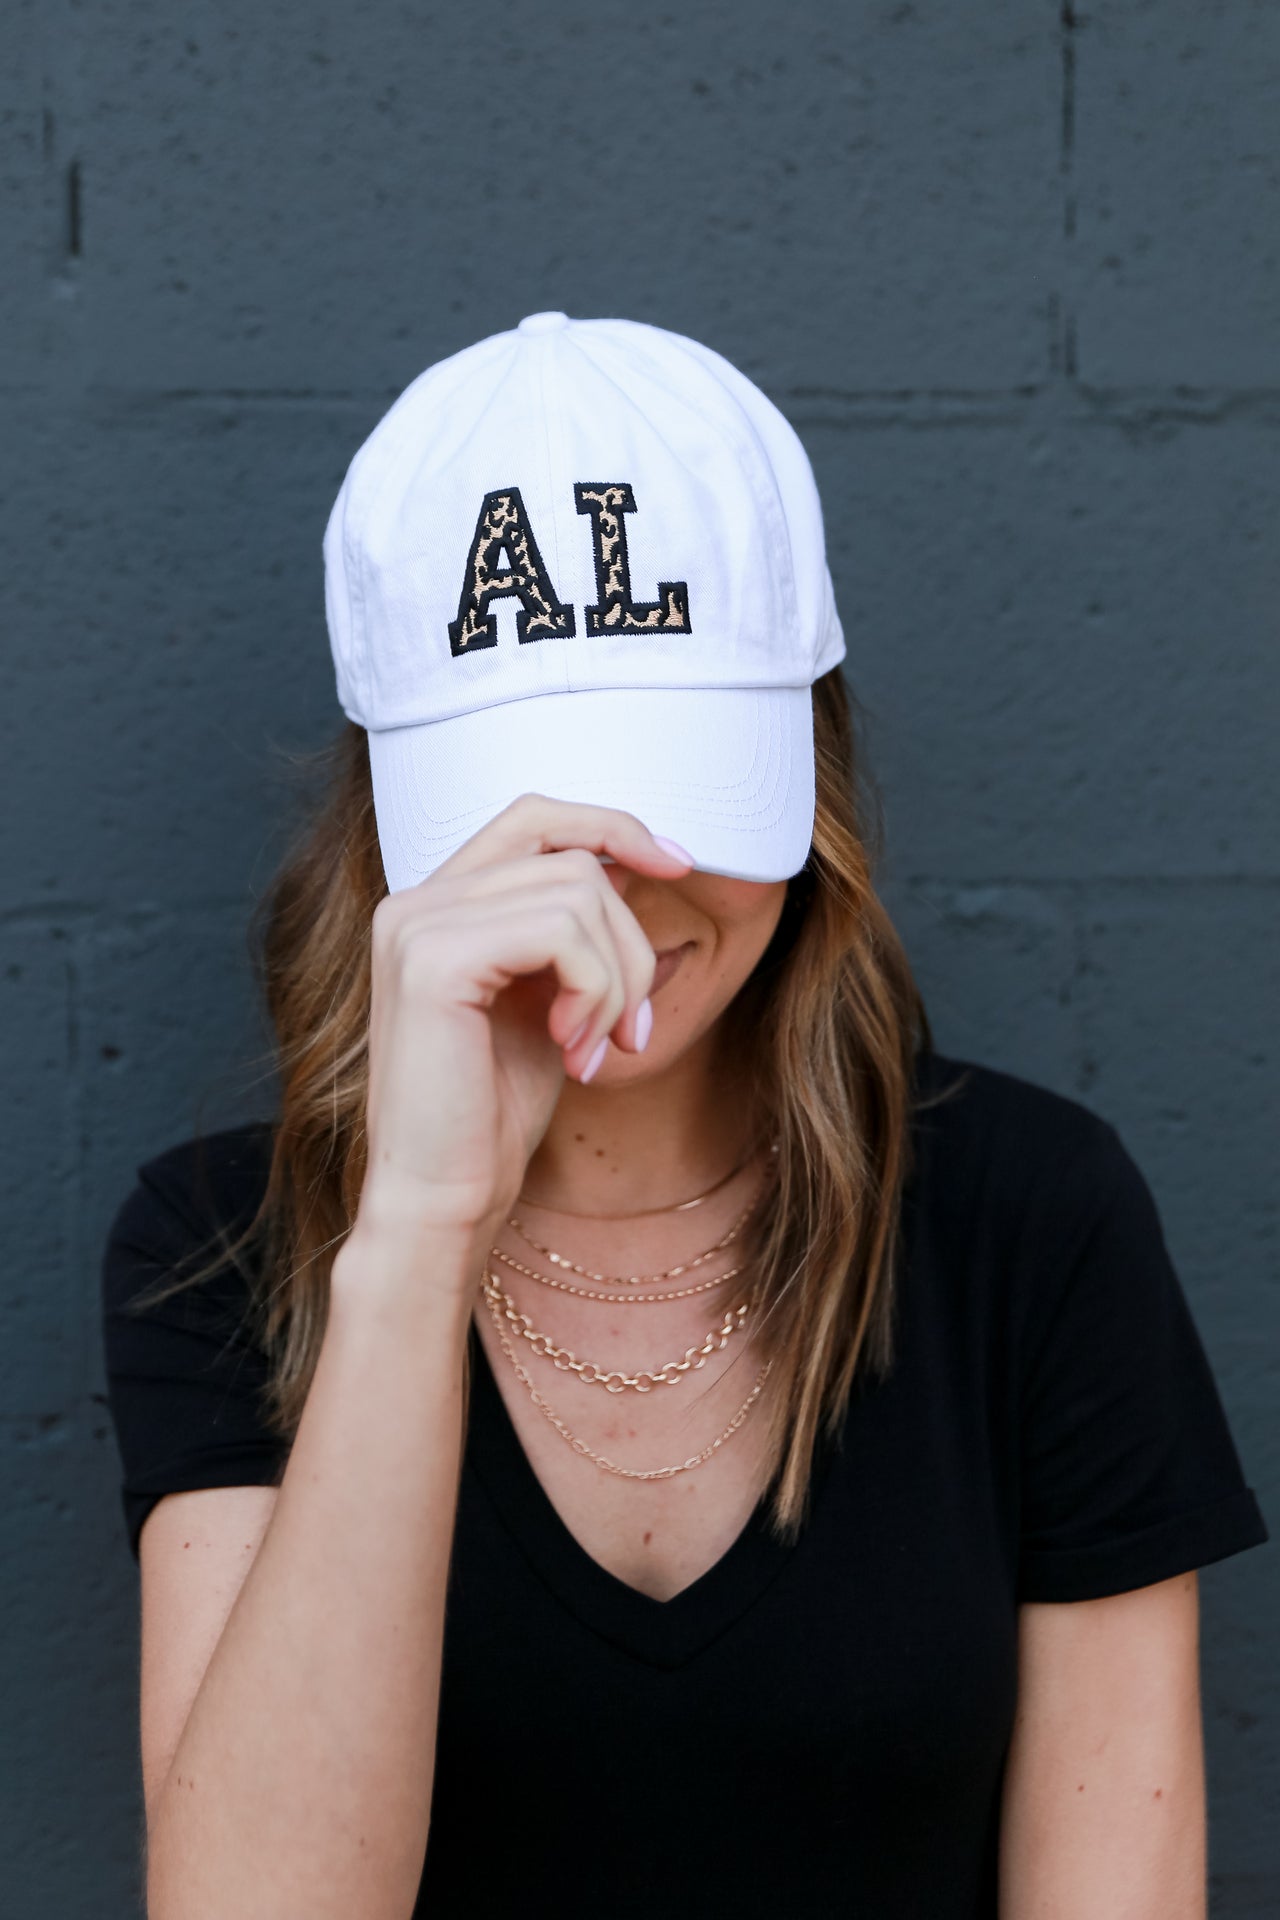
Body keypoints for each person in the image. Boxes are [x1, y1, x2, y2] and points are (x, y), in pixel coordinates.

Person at [101, 312, 1267, 1920]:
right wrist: (424, 1233)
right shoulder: (222, 1245)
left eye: (680, 784)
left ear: (813, 773)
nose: (615, 883)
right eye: (535, 807)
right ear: (394, 817)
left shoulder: (1031, 1220)